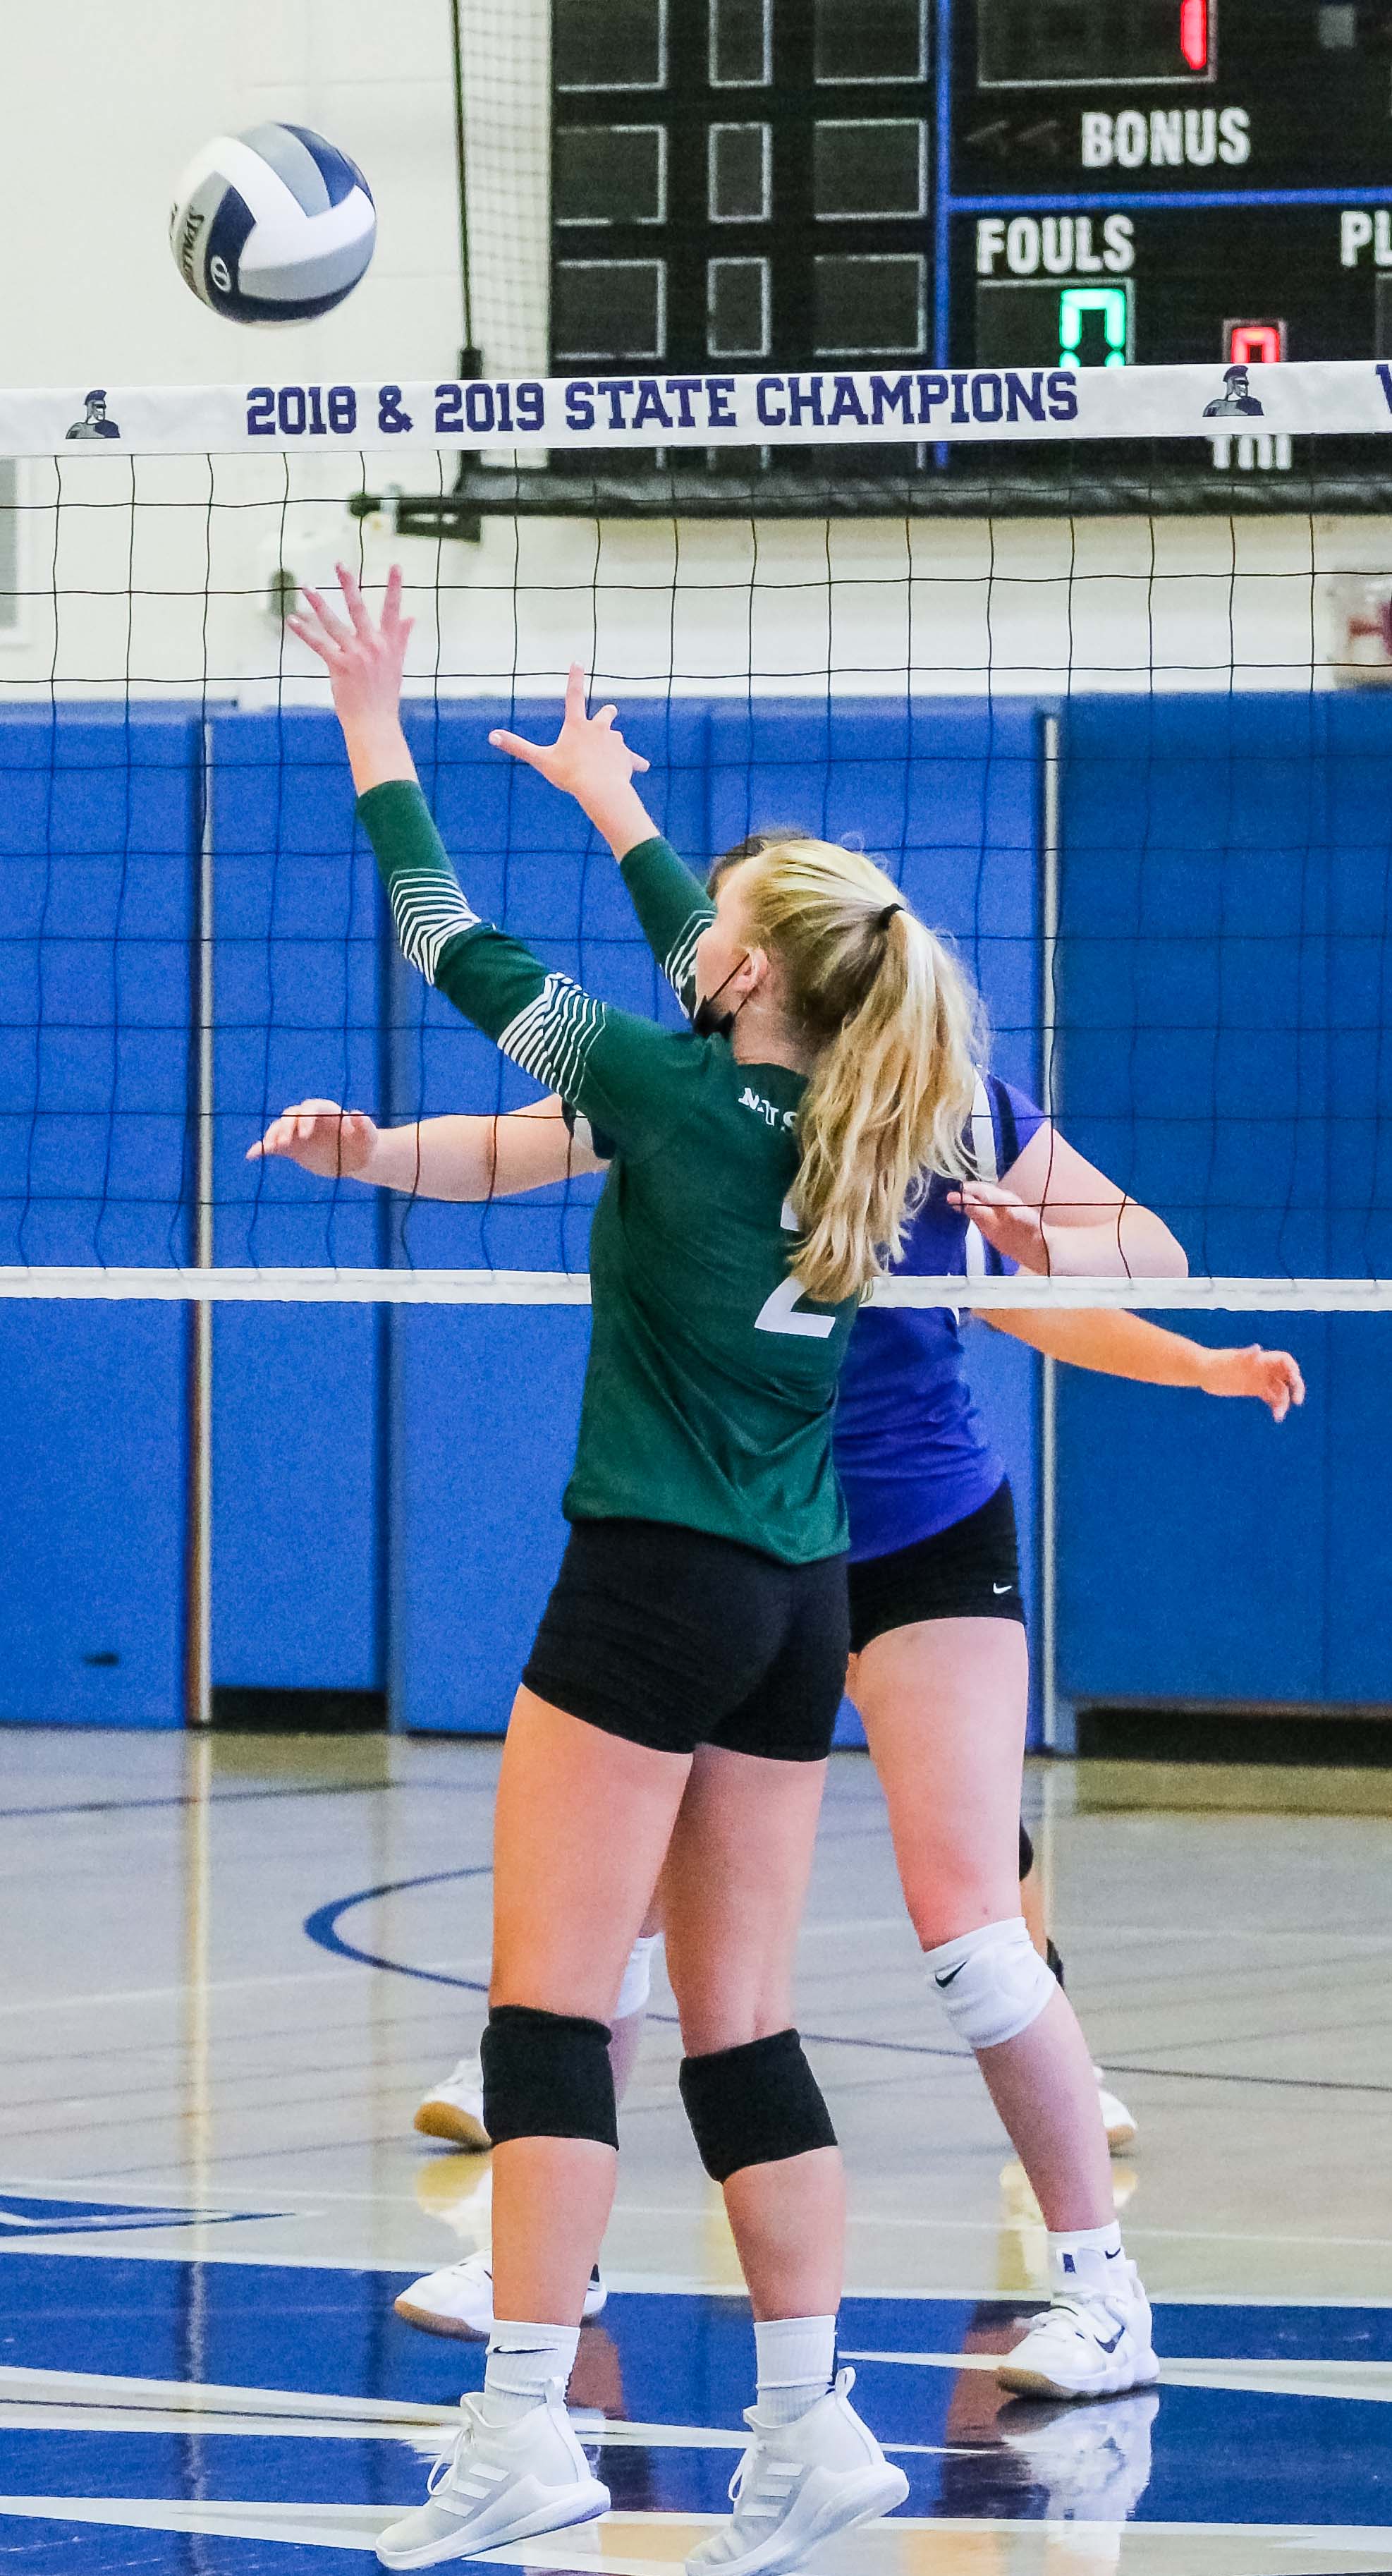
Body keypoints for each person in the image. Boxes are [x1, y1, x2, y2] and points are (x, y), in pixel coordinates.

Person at [260, 801, 1302, 2406]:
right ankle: (555, 2255)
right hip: (762, 1546)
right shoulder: (709, 1087)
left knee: (968, 1922)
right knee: (626, 1920)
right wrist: (379, 1151)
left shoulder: (934, 1107)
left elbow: (1127, 1252)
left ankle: (1103, 2288)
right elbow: (519, 1138)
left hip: (914, 1536)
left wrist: (1094, 1278)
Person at [283, 564, 986, 2573]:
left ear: (746, 977)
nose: (707, 933)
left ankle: (518, 2431)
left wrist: (369, 712)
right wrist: (620, 807)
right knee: (739, 2024)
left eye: (728, 922)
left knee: (546, 2011)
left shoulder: (658, 1085)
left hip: (648, 1586)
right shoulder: (867, 1107)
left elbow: (442, 934)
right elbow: (730, 955)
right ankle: (805, 2420)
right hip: (796, 1604)